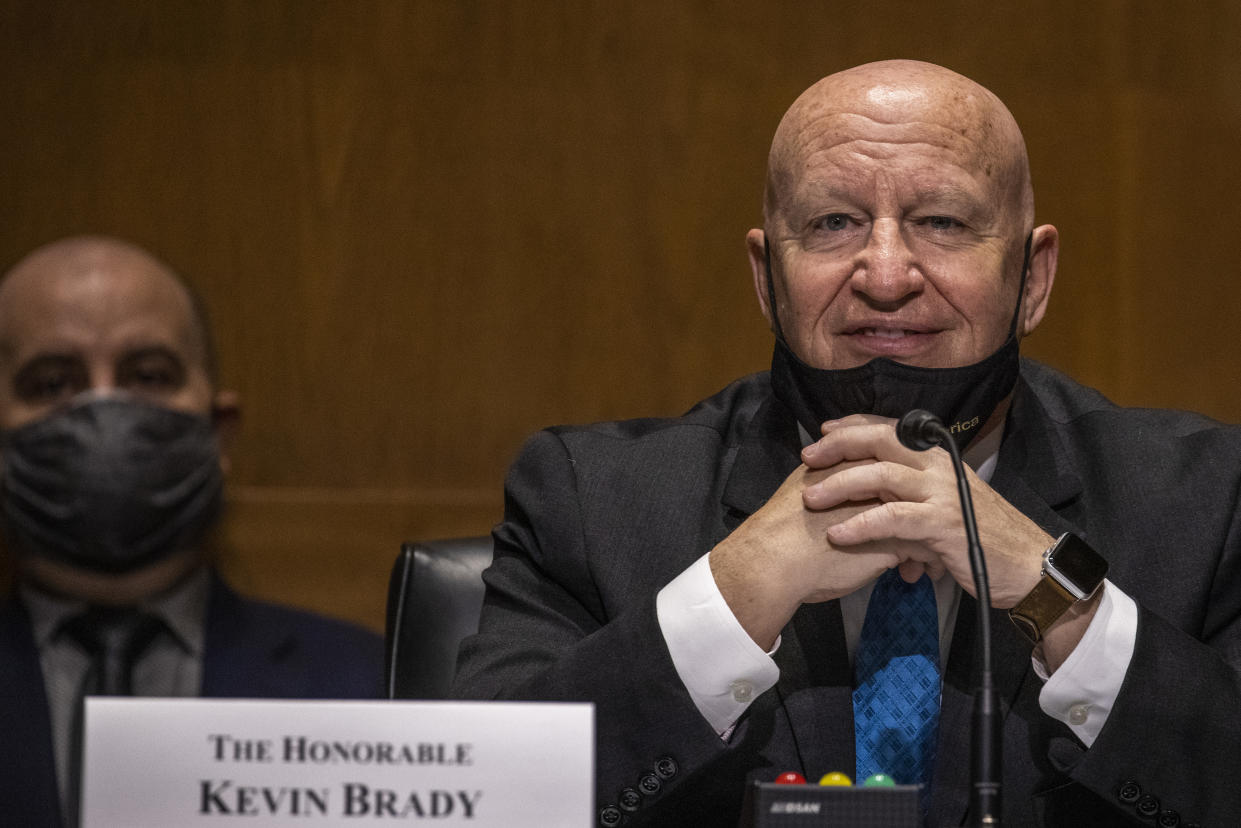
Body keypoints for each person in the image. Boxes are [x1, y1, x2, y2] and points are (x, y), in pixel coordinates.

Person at [453, 60, 1241, 827]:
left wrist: (1054, 598)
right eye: (834, 223)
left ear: (1031, 278)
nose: (887, 274)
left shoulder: (1203, 499)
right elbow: (479, 805)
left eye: (942, 222)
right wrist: (734, 592)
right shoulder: (592, 499)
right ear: (766, 279)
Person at [0, 235, 385, 828]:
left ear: (220, 432)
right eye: (54, 384)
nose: (106, 410)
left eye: (149, 375)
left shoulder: (370, 685)